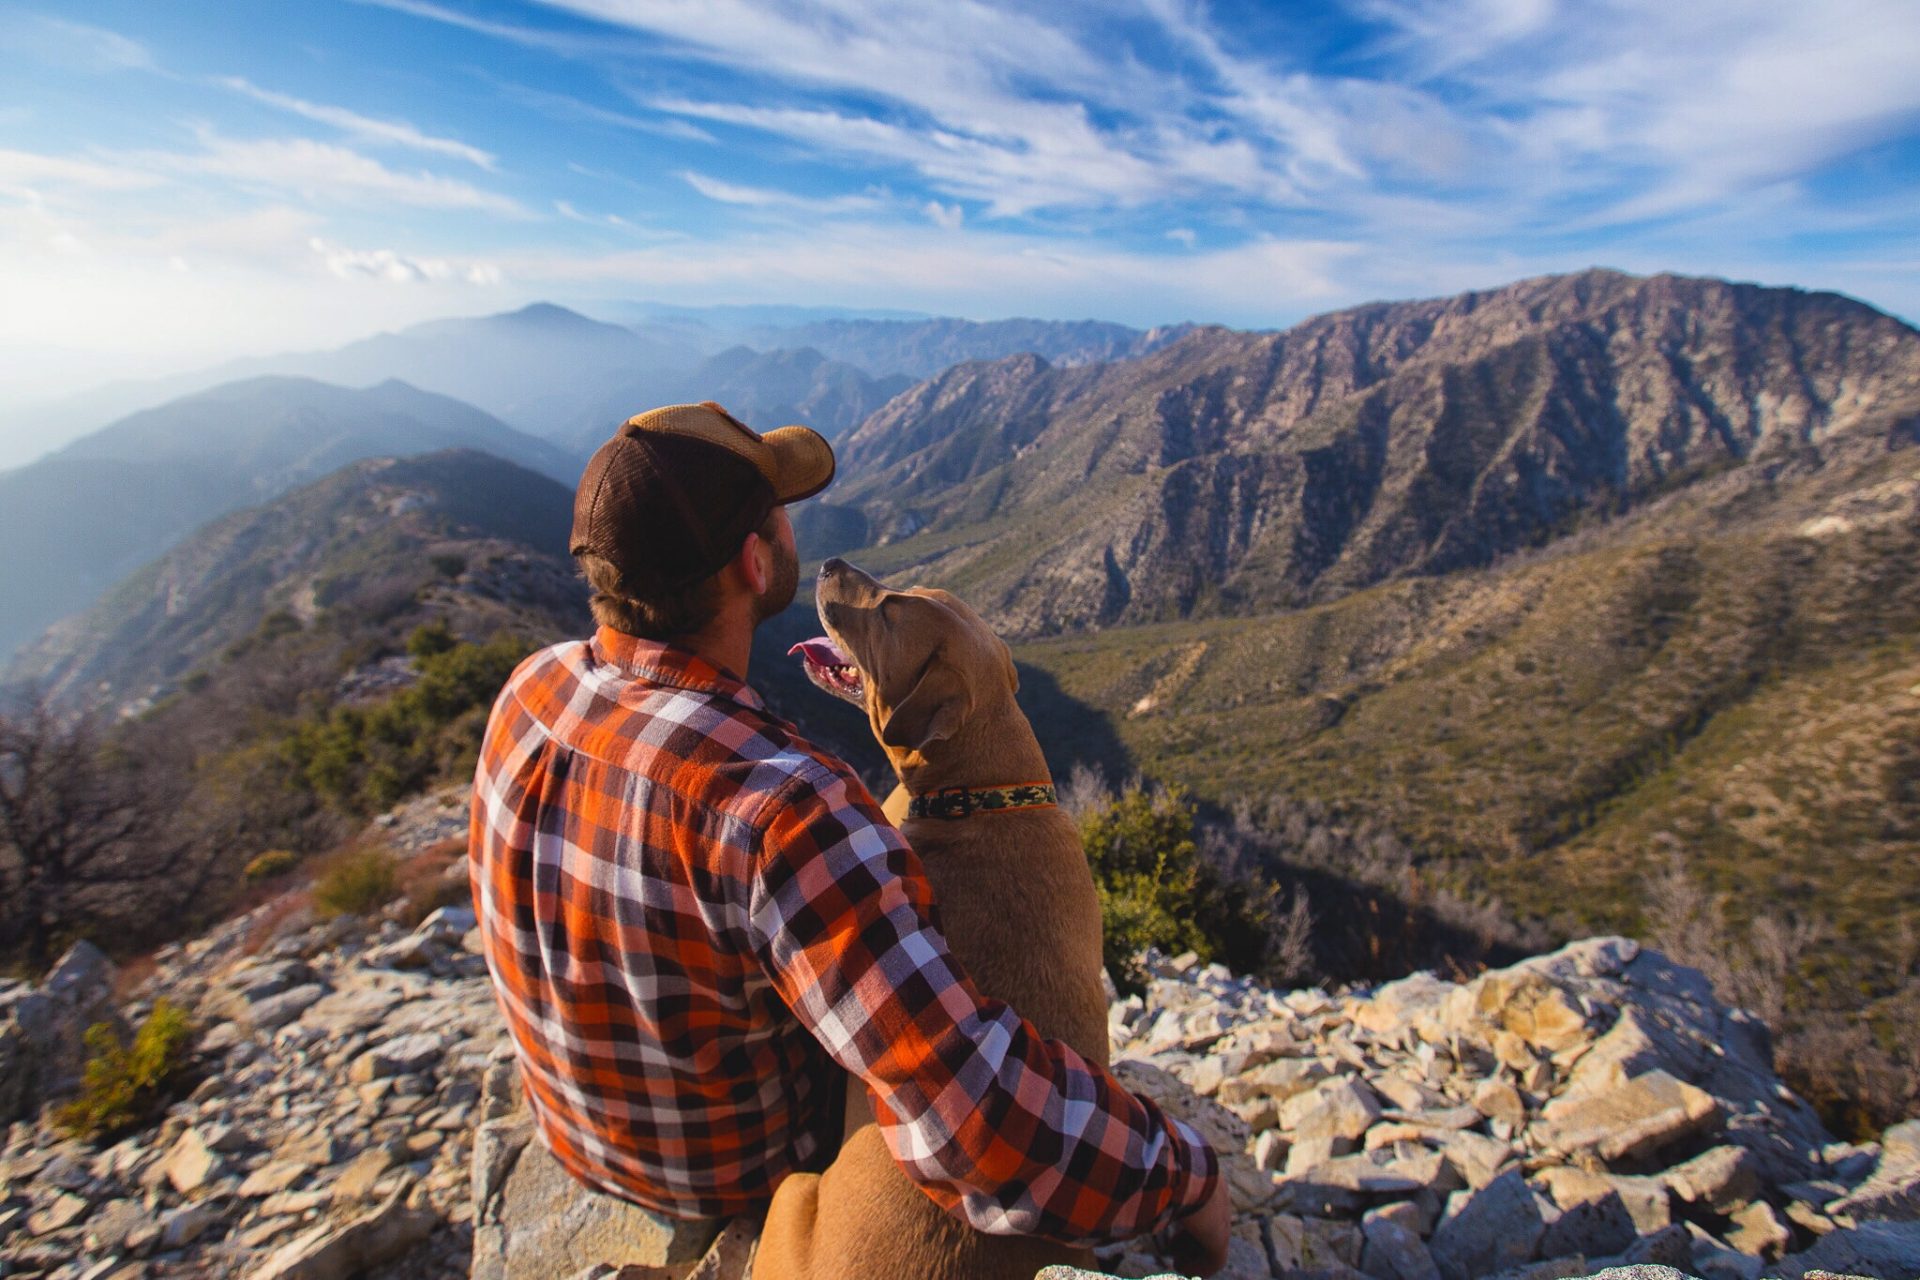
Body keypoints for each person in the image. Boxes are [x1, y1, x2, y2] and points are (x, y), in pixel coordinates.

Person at [468, 402, 1229, 1271]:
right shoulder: (784, 806)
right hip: (732, 1173)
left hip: (579, 1136)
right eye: (777, 512)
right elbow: (980, 1126)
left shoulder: (529, 690)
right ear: (756, 562)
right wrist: (1185, 1176)